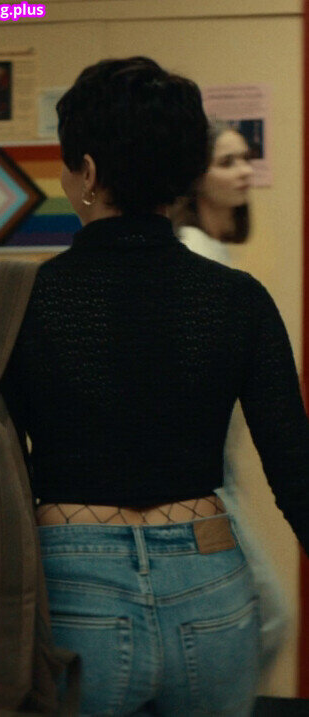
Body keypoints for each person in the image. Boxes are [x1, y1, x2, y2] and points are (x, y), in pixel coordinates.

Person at [0, 58, 309, 716]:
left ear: (88, 171)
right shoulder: (237, 297)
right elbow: (293, 466)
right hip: (211, 580)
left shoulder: (25, 298)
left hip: (71, 590)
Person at [172, 119, 291, 678]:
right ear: (195, 178)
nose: (244, 171)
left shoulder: (213, 251)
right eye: (227, 162)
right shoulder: (194, 252)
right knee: (269, 616)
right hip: (204, 474)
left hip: (222, 466)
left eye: (245, 158)